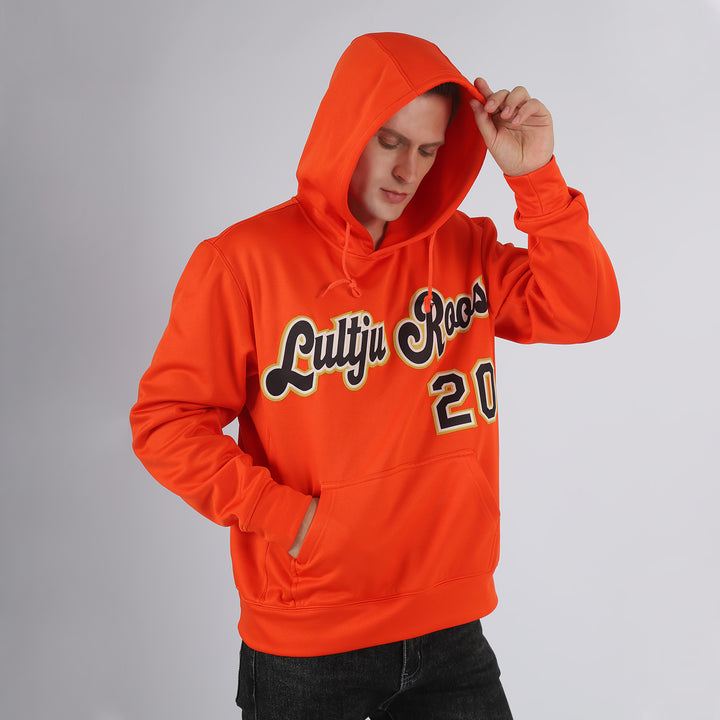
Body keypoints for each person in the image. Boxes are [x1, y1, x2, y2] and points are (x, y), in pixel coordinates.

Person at [130, 32, 620, 719]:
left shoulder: (465, 247)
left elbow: (586, 311)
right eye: (389, 141)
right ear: (345, 130)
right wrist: (290, 521)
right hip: (308, 638)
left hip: (449, 625)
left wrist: (535, 178)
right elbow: (166, 423)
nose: (406, 170)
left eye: (427, 150)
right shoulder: (242, 261)